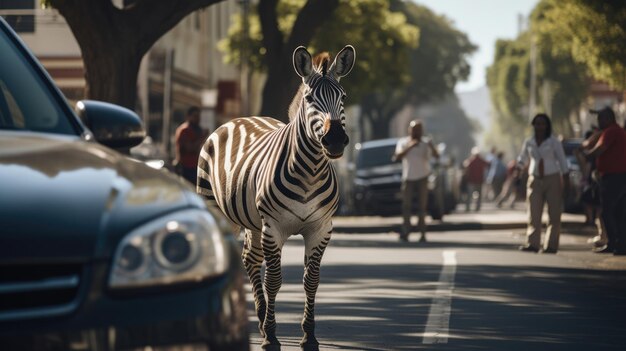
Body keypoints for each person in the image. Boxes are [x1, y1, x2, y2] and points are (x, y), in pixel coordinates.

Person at [517, 113, 569, 254]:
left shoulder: (554, 142)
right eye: (537, 124)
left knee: (554, 213)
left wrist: (566, 180)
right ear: (533, 125)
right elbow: (522, 159)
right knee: (534, 212)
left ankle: (551, 245)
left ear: (547, 126)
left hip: (552, 178)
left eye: (542, 124)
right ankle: (533, 243)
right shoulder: (529, 142)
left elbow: (563, 161)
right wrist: (518, 172)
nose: (540, 126)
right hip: (534, 178)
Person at [584, 107, 626, 255]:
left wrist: (587, 155)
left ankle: (614, 242)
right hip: (616, 176)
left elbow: (600, 149)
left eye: (601, 119)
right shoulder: (614, 131)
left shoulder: (612, 131)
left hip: (614, 176)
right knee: (618, 212)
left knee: (607, 211)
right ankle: (620, 244)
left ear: (608, 118)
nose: (599, 122)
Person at [392, 119, 439, 242]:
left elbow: (436, 156)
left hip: (423, 177)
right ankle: (406, 232)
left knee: (422, 207)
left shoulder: (425, 143)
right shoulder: (403, 142)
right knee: (406, 206)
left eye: (419, 129)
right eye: (414, 129)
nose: (416, 132)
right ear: (409, 130)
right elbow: (397, 156)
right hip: (408, 178)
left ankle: (422, 233)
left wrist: (432, 146)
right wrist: (410, 146)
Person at [174, 106, 208, 185]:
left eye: (199, 116)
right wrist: (202, 137)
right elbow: (189, 148)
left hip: (195, 167)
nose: (198, 119)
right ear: (188, 117)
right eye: (195, 116)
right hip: (186, 167)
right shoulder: (184, 130)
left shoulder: (197, 130)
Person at [462, 147, 489, 212]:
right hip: (479, 180)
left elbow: (465, 167)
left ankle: (468, 208)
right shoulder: (481, 160)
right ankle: (477, 207)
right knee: (479, 195)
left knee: (469, 195)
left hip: (471, 181)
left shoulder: (470, 161)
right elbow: (488, 164)